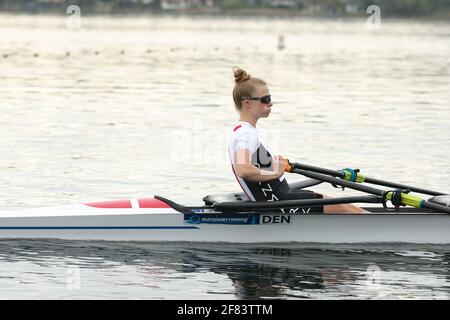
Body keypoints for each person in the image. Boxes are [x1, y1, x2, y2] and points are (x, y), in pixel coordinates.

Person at [227, 66, 367, 214]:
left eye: (270, 98)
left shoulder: (246, 131)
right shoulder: (245, 134)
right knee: (345, 209)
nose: (271, 103)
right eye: (265, 99)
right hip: (277, 204)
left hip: (281, 197)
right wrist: (275, 173)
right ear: (247, 103)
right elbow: (243, 169)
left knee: (348, 207)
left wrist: (273, 164)